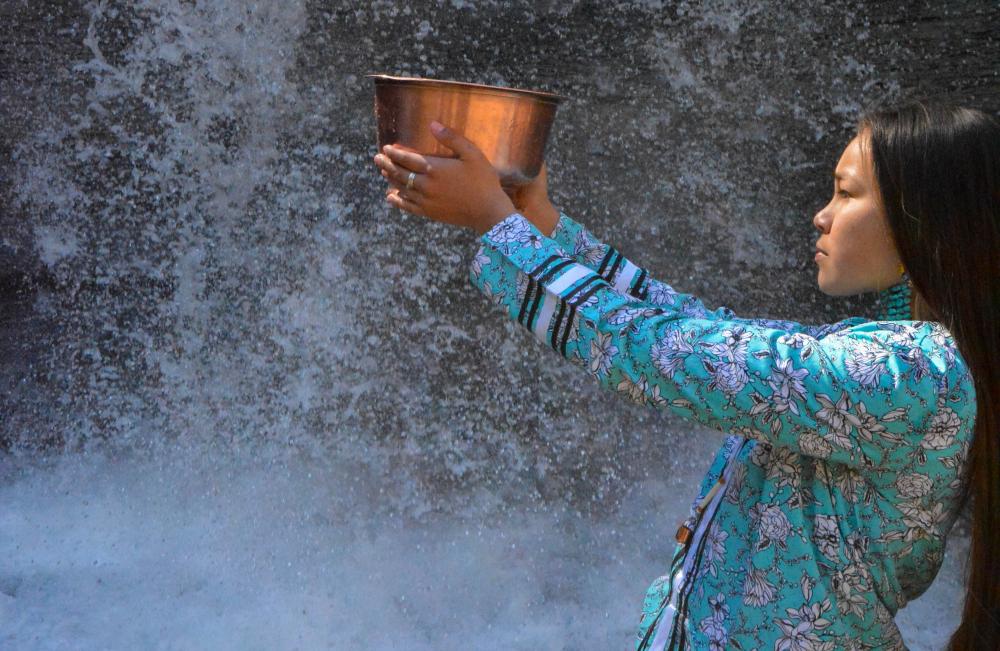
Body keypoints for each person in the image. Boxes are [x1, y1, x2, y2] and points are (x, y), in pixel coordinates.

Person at [372, 99, 998, 650]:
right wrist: (543, 228)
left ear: (922, 218)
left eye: (846, 192)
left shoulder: (907, 374)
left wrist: (497, 226)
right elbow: (695, 330)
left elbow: (664, 354)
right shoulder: (897, 360)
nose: (821, 215)